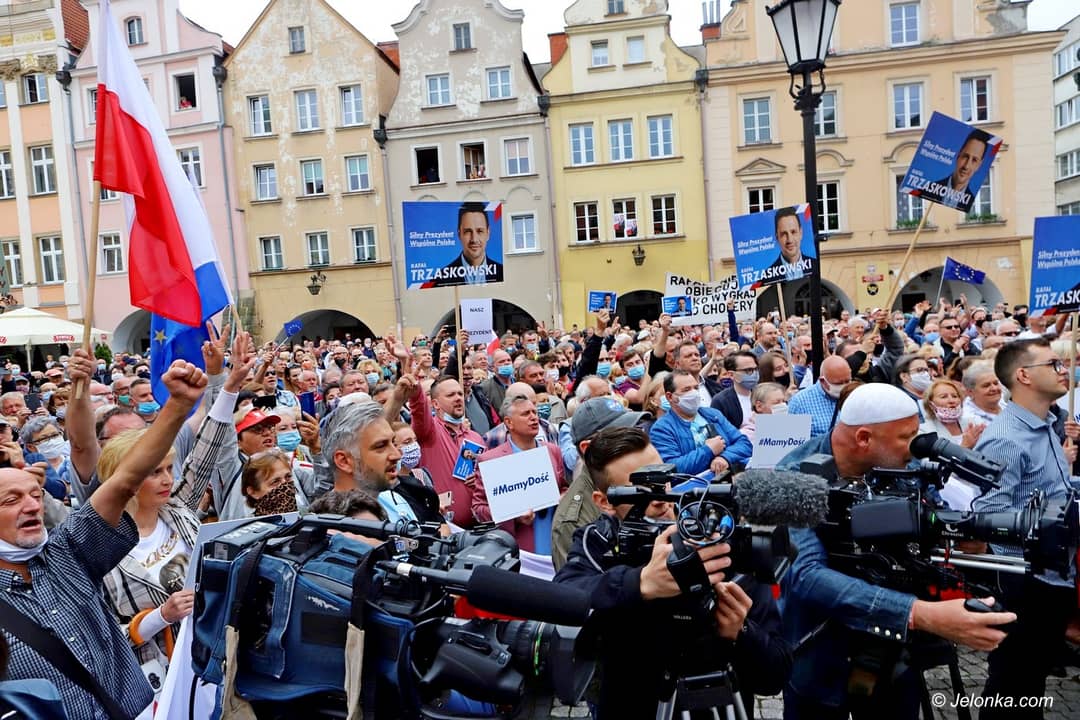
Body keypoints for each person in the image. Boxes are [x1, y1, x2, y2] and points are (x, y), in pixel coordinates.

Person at [777, 383, 1016, 719]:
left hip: (893, 656)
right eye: (907, 437)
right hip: (821, 654)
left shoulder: (906, 466)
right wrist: (921, 614)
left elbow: (931, 519)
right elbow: (807, 575)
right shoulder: (791, 479)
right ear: (864, 438)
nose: (915, 446)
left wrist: (958, 538)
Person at [0, 359, 207, 720]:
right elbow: (83, 447)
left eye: (35, 494)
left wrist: (177, 405)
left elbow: (125, 481)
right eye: (12, 500)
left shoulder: (67, 551)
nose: (32, 505)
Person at [554, 426, 790, 718]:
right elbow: (563, 599)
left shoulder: (715, 542)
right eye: (641, 490)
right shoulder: (600, 541)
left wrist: (741, 632)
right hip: (632, 702)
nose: (660, 498)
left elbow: (775, 675)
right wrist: (640, 583)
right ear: (605, 502)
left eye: (662, 481)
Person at [972, 339, 1078, 718]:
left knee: (1031, 679)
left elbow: (1053, 491)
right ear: (1023, 376)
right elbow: (989, 514)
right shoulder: (1006, 438)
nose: (1064, 370)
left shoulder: (1046, 424)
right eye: (1054, 364)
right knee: (1014, 682)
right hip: (1027, 581)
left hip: (1053, 574)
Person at [550, 397, 650, 569]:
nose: (635, 439)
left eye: (634, 430)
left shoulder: (640, 478)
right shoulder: (573, 521)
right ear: (587, 448)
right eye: (621, 436)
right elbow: (578, 583)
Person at [471, 395, 566, 551]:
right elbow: (479, 509)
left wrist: (563, 498)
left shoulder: (552, 451)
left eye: (534, 412)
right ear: (509, 422)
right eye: (525, 414)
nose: (534, 417)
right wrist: (514, 516)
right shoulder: (490, 460)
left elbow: (564, 487)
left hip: (555, 543)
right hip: (519, 548)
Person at [650, 370, 752, 476]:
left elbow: (744, 443)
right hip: (694, 484)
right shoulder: (662, 429)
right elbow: (673, 468)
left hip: (728, 477)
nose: (694, 393)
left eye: (696, 388)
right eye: (686, 390)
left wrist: (724, 457)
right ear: (670, 397)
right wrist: (708, 450)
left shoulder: (713, 415)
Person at [424, 202, 504, 288]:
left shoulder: (502, 272)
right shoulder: (439, 279)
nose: (474, 239)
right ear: (459, 234)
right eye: (468, 231)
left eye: (480, 231)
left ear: (488, 233)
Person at [918, 129, 990, 212]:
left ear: (979, 165)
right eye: (965, 156)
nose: (966, 166)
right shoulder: (927, 189)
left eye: (974, 160)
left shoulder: (974, 202)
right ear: (958, 155)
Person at [710, 351, 759, 430]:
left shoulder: (765, 394)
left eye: (756, 369)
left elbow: (777, 432)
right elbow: (719, 432)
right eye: (748, 370)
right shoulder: (721, 401)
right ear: (731, 375)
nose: (754, 374)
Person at [767, 206, 811, 280]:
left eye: (793, 232)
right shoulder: (767, 275)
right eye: (784, 234)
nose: (789, 240)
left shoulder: (815, 265)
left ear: (801, 233)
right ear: (777, 237)